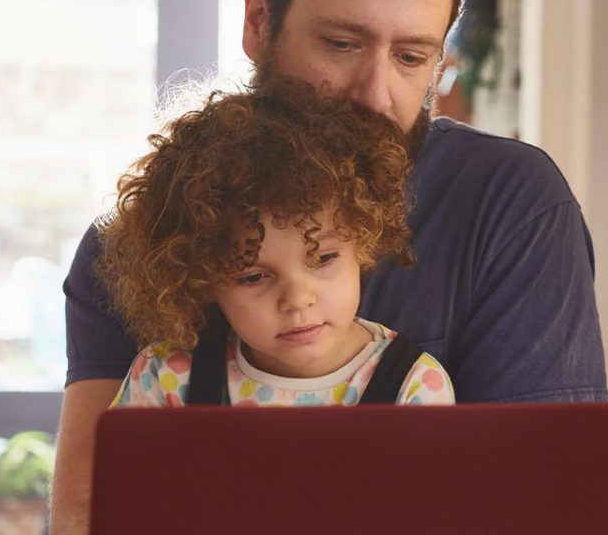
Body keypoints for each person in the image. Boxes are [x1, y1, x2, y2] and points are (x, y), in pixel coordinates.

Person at [50, 0, 607, 534]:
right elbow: (88, 513)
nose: (376, 96)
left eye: (411, 57)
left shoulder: (512, 205)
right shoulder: (140, 238)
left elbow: (543, 508)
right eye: (342, 44)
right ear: (258, 19)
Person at [101, 80, 454, 408]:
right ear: (201, 280)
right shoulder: (167, 379)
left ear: (363, 242)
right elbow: (123, 476)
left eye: (324, 257)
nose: (298, 299)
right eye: (252, 277)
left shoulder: (415, 385)